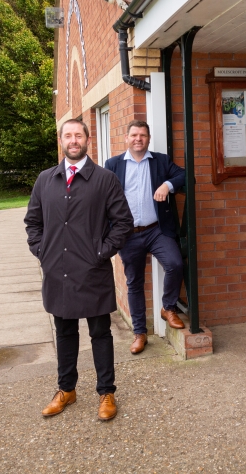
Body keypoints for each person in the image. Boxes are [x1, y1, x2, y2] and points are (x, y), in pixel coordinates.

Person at [25, 119, 133, 421]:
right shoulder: (45, 179)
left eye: (78, 135)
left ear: (88, 139)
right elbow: (33, 223)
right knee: (64, 332)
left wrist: (102, 252)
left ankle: (106, 392)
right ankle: (66, 390)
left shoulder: (104, 179)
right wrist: (41, 250)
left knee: (100, 332)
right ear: (61, 140)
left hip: (92, 271)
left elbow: (123, 223)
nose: (73, 140)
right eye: (68, 135)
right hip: (58, 272)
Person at [105, 120, 186, 355]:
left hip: (156, 229)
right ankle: (140, 333)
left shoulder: (160, 160)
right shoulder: (113, 165)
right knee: (134, 283)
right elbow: (102, 197)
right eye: (134, 135)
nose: (138, 139)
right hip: (128, 234)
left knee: (175, 263)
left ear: (148, 139)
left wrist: (168, 185)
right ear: (126, 138)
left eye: (142, 135)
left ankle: (168, 307)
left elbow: (184, 175)